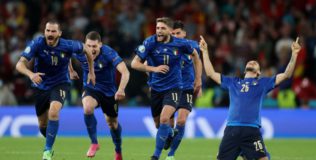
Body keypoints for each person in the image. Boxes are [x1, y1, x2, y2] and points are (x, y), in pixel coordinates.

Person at [200, 35, 301, 160]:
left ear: (258, 73)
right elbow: (210, 73)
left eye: (256, 63)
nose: (252, 62)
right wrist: (204, 52)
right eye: (250, 62)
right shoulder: (233, 82)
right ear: (244, 71)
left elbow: (287, 74)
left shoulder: (262, 84)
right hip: (232, 129)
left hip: (251, 131)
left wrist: (294, 54)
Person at [15, 20, 95, 160]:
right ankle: (50, 140)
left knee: (53, 111)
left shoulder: (68, 44)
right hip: (41, 85)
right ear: (44, 31)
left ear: (59, 33)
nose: (50, 34)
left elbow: (87, 50)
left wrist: (91, 72)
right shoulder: (38, 43)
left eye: (53, 31)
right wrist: (31, 74)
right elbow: (19, 64)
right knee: (42, 124)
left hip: (60, 83)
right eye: (48, 31)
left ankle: (47, 151)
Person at [131, 17, 202, 160]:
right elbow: (134, 64)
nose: (159, 31)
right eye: (157, 28)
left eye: (162, 28)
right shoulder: (150, 43)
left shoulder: (181, 44)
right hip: (156, 88)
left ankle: (158, 156)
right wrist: (153, 69)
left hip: (175, 87)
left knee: (168, 119)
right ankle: (170, 133)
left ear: (169, 30)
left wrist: (198, 79)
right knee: (159, 124)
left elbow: (195, 55)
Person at [69, 31, 129, 160]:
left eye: (94, 46)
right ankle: (94, 142)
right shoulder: (79, 50)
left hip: (109, 93)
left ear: (100, 45)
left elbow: (125, 71)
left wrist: (121, 89)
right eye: (89, 46)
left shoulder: (108, 53)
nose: (91, 49)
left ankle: (118, 150)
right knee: (87, 108)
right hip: (91, 88)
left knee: (112, 124)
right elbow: (65, 52)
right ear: (85, 44)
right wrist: (71, 70)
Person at [161, 20, 202, 160]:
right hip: (170, 87)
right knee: (170, 124)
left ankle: (171, 154)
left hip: (187, 88)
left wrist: (199, 81)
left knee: (182, 121)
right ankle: (169, 135)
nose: (176, 36)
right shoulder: (165, 46)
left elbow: (198, 62)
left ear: (184, 33)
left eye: (178, 33)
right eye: (173, 33)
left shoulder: (192, 46)